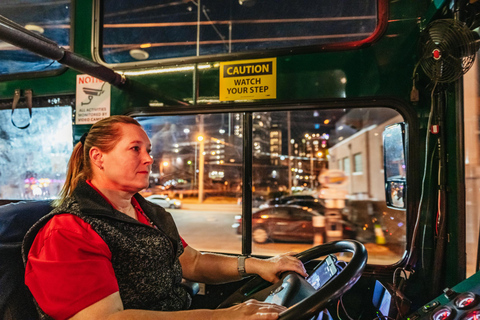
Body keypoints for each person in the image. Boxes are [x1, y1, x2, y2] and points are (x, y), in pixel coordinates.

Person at [22, 115, 307, 320]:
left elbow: (192, 261)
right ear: (98, 157)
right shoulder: (68, 230)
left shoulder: (147, 212)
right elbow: (104, 318)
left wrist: (258, 264)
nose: (148, 159)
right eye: (135, 149)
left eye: (148, 151)